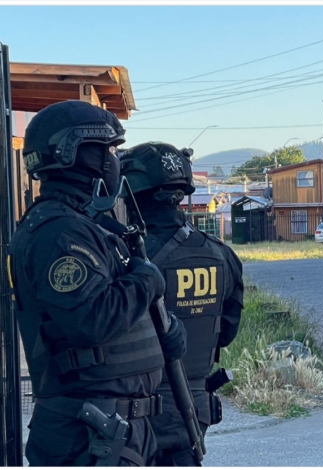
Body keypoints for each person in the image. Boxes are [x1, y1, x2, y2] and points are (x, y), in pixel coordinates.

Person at [8, 101, 188, 466]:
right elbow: (93, 319)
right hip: (87, 437)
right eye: (108, 150)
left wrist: (163, 331)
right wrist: (146, 281)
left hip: (113, 432)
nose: (113, 160)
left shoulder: (85, 225)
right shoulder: (58, 233)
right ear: (74, 152)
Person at [120, 142, 243, 466]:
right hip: (194, 407)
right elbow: (226, 334)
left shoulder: (122, 257)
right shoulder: (221, 254)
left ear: (132, 192)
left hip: (133, 412)